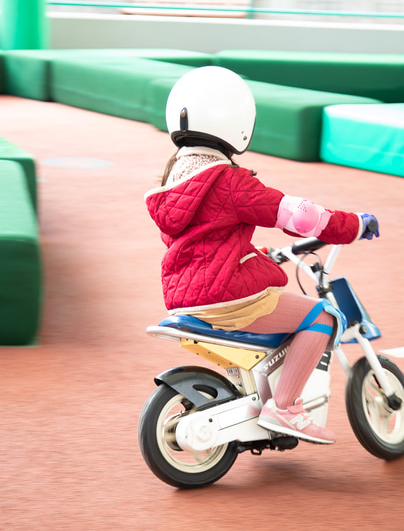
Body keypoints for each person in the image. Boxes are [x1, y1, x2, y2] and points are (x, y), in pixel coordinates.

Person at [144, 66, 379, 445]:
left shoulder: (172, 184)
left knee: (280, 306)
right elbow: (298, 215)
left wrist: (253, 254)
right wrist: (352, 225)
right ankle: (285, 408)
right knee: (324, 317)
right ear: (236, 121)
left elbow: (205, 240)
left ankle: (259, 401)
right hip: (227, 296)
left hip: (182, 297)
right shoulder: (230, 181)